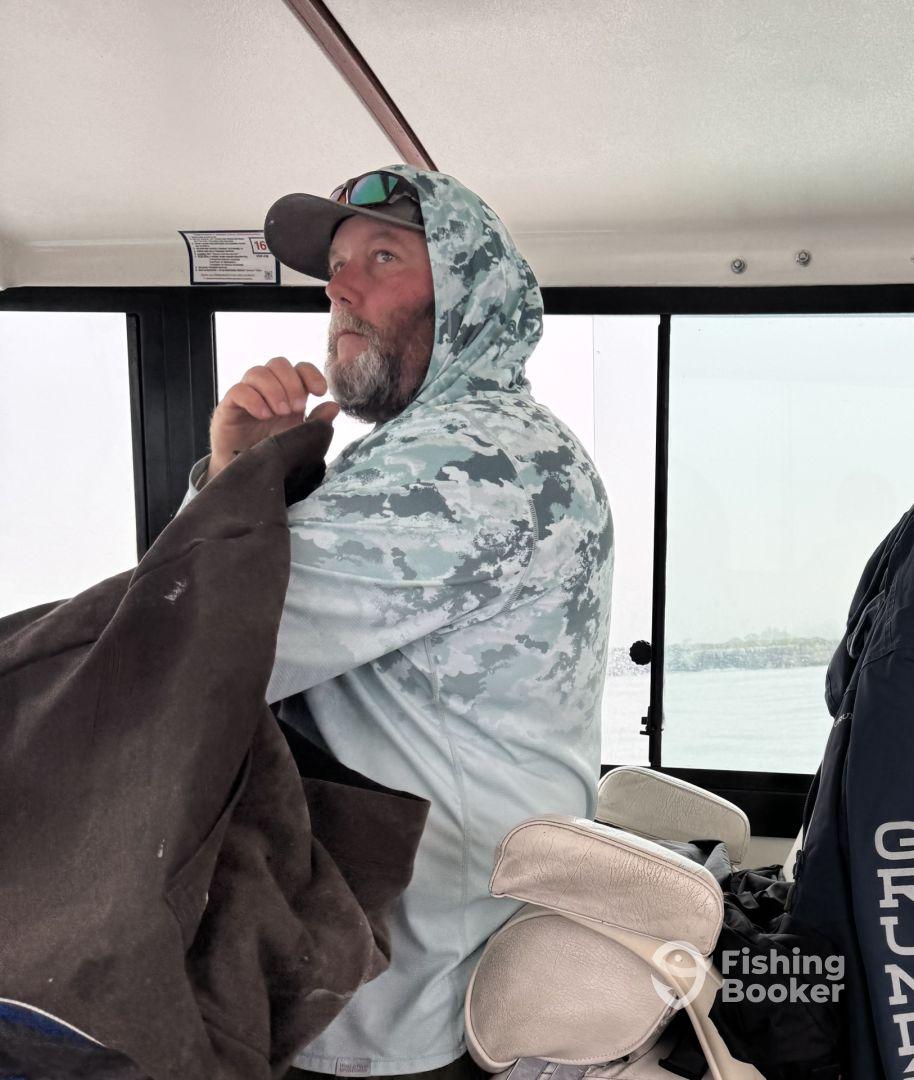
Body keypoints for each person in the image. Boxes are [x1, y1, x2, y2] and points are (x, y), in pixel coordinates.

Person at [178, 165, 614, 1079]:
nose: (341, 288)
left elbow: (201, 645)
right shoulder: (476, 443)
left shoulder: (470, 456)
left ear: (468, 292)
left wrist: (233, 483)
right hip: (440, 948)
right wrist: (241, 471)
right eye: (336, 267)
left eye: (384, 256)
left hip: (402, 988)